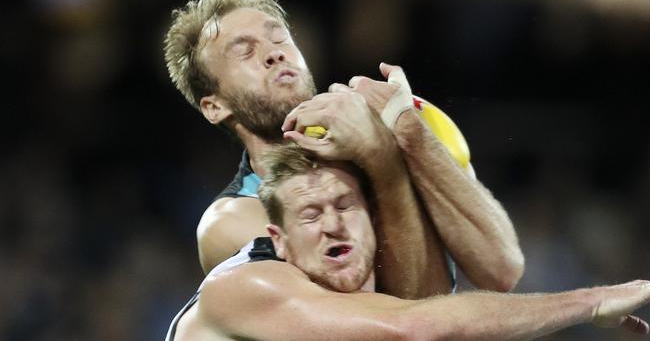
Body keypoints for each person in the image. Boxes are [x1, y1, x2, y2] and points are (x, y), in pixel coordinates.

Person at [163, 0, 523, 297]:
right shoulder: (233, 220)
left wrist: (411, 134)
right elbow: (393, 325)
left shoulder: (404, 124)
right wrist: (385, 161)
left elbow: (502, 270)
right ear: (214, 106)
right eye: (245, 51)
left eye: (280, 39)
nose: (273, 54)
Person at [166, 144, 650, 341]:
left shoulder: (352, 303)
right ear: (280, 240)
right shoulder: (246, 285)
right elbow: (414, 327)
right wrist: (593, 300)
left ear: (374, 220)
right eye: (310, 215)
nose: (333, 225)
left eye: (346, 205)